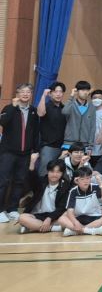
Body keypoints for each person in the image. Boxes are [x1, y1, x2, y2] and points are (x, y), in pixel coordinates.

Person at [0, 83, 42, 224]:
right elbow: (3, 122)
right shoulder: (9, 108)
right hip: (8, 152)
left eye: (28, 92)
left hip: (25, 153)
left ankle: (12, 208)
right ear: (17, 93)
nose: (25, 94)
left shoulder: (33, 111)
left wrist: (35, 151)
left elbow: (35, 133)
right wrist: (13, 107)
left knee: (19, 181)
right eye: (22, 91)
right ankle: (0, 210)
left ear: (31, 95)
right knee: (3, 181)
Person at [18, 159, 69, 234]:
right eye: (52, 171)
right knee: (22, 218)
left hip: (55, 216)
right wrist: (32, 164)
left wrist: (49, 218)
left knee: (68, 213)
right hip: (38, 215)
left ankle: (33, 227)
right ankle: (52, 228)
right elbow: (32, 178)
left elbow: (62, 207)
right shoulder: (41, 181)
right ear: (47, 171)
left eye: (58, 172)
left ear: (62, 173)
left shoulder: (65, 186)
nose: (54, 175)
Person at [59, 166, 102, 236]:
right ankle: (89, 231)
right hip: (79, 218)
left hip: (95, 217)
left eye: (88, 178)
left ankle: (77, 231)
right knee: (61, 219)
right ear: (77, 180)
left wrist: (101, 184)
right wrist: (75, 222)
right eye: (82, 179)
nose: (86, 181)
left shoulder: (95, 187)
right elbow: (70, 211)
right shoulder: (73, 191)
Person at [35, 82, 68, 178]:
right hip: (48, 146)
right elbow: (40, 113)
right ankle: (41, 188)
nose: (58, 94)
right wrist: (43, 96)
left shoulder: (64, 108)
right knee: (44, 172)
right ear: (50, 94)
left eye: (60, 92)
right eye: (55, 91)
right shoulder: (46, 106)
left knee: (60, 174)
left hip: (63, 146)